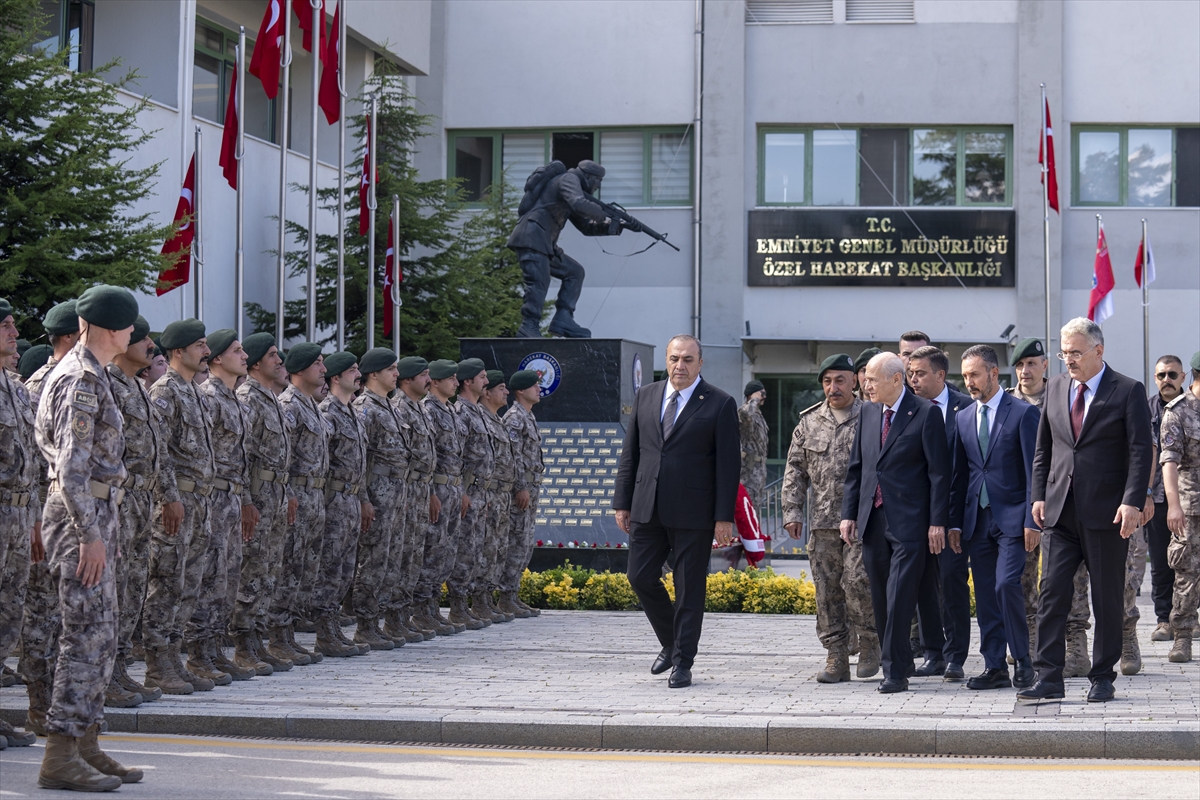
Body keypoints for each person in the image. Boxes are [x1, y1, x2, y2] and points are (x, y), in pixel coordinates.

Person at [34, 284, 142, 790]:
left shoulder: (93, 375)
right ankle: (59, 753)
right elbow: (72, 468)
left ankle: (86, 744)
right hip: (83, 516)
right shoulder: (79, 379)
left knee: (102, 635)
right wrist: (90, 536)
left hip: (96, 511)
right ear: (108, 327)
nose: (133, 333)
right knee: (83, 636)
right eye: (128, 325)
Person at [1019, 318, 1154, 703]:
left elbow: (1140, 450)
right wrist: (1038, 496)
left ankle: (1102, 676)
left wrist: (1132, 500)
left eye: (1076, 352)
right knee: (1052, 593)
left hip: (1107, 512)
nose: (1069, 361)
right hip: (1061, 511)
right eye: (1063, 353)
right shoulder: (1057, 388)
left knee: (1107, 597)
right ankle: (1049, 677)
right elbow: (1044, 449)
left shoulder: (1127, 390)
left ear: (1099, 350)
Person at [615, 334, 740, 689]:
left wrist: (723, 517)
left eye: (687, 359)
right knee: (639, 576)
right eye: (674, 359)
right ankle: (672, 642)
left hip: (694, 511)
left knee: (688, 588)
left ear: (700, 363)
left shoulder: (719, 403)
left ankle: (683, 661)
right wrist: (622, 502)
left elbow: (729, 467)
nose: (679, 366)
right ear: (666, 361)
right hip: (647, 505)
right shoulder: (647, 395)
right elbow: (631, 454)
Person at [840, 352, 950, 694]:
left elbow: (938, 474)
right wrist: (849, 514)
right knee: (881, 595)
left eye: (872, 379)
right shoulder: (869, 412)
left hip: (911, 523)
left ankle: (894, 671)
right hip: (873, 519)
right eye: (865, 378)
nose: (865, 384)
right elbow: (858, 468)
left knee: (900, 593)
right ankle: (900, 663)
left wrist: (937, 522)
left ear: (896, 380)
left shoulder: (926, 413)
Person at [948, 345, 1040, 691]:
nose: (968, 382)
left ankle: (1024, 663)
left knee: (1006, 585)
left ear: (993, 372)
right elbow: (960, 476)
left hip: (1014, 519)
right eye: (965, 375)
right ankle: (994, 666)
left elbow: (1035, 471)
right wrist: (955, 522)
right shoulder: (962, 417)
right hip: (976, 521)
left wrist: (1034, 519)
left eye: (974, 374)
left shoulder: (1022, 413)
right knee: (985, 593)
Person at [782, 353, 878, 683]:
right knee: (826, 591)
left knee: (857, 582)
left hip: (862, 521)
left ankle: (869, 644)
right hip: (823, 522)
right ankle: (836, 653)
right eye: (827, 381)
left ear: (855, 380)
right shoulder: (808, 422)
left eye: (840, 380)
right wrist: (792, 511)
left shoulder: (871, 416)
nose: (833, 387)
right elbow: (795, 470)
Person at [18, 300, 82, 731]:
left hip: (66, 515)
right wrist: (37, 520)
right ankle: (39, 705)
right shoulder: (43, 383)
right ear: (68, 336)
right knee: (41, 614)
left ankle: (61, 706)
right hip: (45, 516)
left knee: (63, 613)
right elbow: (35, 459)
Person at [105, 316, 166, 704]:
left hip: (143, 501)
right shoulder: (106, 385)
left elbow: (159, 454)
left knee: (132, 588)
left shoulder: (137, 388)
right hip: (119, 501)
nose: (149, 345)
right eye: (141, 338)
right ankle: (106, 675)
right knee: (112, 589)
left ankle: (121, 668)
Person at [193, 330, 257, 684]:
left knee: (228, 578)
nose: (244, 355)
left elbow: (241, 459)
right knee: (210, 577)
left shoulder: (234, 399)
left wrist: (245, 500)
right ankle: (199, 654)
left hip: (232, 497)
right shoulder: (209, 398)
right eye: (236, 350)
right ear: (217, 358)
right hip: (212, 497)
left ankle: (216, 649)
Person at [906, 345, 972, 679]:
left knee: (952, 581)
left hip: (954, 515)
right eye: (910, 373)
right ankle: (933, 652)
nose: (913, 380)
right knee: (922, 584)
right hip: (916, 514)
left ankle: (956, 655)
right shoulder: (907, 408)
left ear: (940, 375)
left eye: (920, 373)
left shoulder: (966, 408)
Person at [231, 334, 295, 674]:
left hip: (275, 498)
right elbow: (241, 457)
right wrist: (245, 501)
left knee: (269, 572)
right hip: (256, 499)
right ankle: (243, 645)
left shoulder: (271, 399)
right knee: (252, 573)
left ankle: (257, 638)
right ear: (256, 363)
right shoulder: (249, 399)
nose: (280, 360)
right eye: (272, 355)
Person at [507, 160, 628, 338]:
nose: (598, 186)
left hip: (544, 243)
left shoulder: (570, 189)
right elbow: (579, 204)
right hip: (532, 236)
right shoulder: (568, 179)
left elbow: (585, 226)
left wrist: (615, 226)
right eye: (598, 181)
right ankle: (528, 326)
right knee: (538, 282)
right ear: (588, 177)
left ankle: (563, 318)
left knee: (575, 273)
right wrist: (604, 213)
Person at [350, 348, 412, 648]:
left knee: (390, 560)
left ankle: (381, 619)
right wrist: (363, 498)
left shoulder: (389, 407)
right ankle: (365, 623)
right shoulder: (365, 408)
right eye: (391, 369)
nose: (396, 374)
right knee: (372, 561)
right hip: (377, 494)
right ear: (373, 373)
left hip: (396, 495)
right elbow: (359, 459)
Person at [272, 343, 328, 667]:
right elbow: (284, 457)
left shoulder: (312, 406)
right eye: (317, 364)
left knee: (304, 570)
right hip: (296, 497)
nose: (323, 369)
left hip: (315, 497)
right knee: (289, 567)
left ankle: (289, 633)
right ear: (301, 369)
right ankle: (278, 636)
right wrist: (289, 493)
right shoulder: (289, 404)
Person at [0, 297, 40, 749]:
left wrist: (30, 518)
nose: (14, 332)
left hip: (17, 513)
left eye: (14, 325)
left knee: (8, 618)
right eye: (6, 326)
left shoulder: (14, 388)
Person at [313, 352, 370, 658]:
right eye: (352, 371)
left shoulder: (353, 413)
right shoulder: (327, 412)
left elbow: (360, 462)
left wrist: (362, 499)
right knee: (330, 565)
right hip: (333, 498)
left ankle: (333, 625)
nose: (357, 375)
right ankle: (324, 630)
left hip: (350, 497)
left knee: (344, 568)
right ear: (336, 378)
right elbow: (321, 461)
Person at [392, 357, 440, 637]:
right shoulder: (400, 408)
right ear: (407, 379)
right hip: (404, 492)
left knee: (413, 556)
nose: (428, 380)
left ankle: (403, 615)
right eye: (423, 375)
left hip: (421, 491)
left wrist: (430, 492)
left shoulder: (419, 409)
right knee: (398, 557)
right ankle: (391, 618)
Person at [419, 359, 467, 634]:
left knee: (445, 552)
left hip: (452, 488)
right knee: (432, 550)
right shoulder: (429, 410)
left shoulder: (449, 411)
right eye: (450, 378)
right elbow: (429, 457)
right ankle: (422, 609)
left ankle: (433, 608)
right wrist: (431, 493)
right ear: (435, 382)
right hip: (437, 488)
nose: (456, 382)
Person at [1159, 351, 1200, 662]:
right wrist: (1173, 505)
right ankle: (1183, 636)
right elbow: (1169, 462)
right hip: (1191, 507)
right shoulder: (1178, 412)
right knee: (1186, 573)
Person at [450, 358, 497, 629]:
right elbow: (458, 455)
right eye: (481, 377)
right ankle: (457, 606)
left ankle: (466, 604)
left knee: (476, 550)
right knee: (465, 550)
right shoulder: (462, 412)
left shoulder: (477, 411)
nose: (486, 382)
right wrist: (463, 490)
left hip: (481, 492)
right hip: (468, 491)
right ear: (468, 381)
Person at [1147, 355, 1187, 642]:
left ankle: (1188, 617)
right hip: (1157, 498)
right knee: (1161, 563)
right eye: (1162, 375)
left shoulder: (1192, 408)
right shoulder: (1145, 408)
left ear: (1183, 377)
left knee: (1190, 562)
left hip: (1190, 496)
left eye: (1172, 375)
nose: (1167, 380)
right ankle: (1164, 619)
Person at [501, 369, 545, 617]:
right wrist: (521, 487)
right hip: (522, 490)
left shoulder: (528, 416)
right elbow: (513, 456)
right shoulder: (515, 418)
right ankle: (506, 597)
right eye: (534, 386)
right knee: (516, 541)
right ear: (521, 390)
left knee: (524, 543)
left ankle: (513, 594)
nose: (538, 389)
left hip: (531, 487)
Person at [480, 370, 519, 623]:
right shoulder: (478, 416)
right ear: (487, 392)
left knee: (496, 549)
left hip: (500, 494)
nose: (506, 392)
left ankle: (487, 599)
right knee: (482, 549)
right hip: (485, 493)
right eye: (501, 387)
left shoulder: (496, 419)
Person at [738, 381, 769, 507]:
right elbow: (745, 414)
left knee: (755, 508)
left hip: (759, 469)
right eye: (762, 393)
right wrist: (754, 399)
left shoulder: (758, 415)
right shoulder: (744, 411)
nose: (764, 396)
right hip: (748, 472)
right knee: (746, 507)